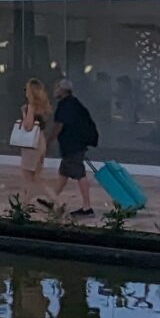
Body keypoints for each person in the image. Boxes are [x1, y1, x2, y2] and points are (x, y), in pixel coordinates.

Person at [51, 80, 100, 216]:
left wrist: (49, 140)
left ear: (64, 90)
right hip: (73, 145)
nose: (55, 89)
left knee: (80, 174)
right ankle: (52, 199)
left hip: (73, 145)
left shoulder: (66, 105)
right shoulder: (73, 103)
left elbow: (59, 125)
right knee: (64, 173)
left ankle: (87, 207)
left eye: (57, 87)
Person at [14, 79, 51, 180]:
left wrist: (24, 113)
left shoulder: (31, 107)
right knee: (37, 175)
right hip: (40, 140)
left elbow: (28, 126)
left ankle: (31, 195)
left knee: (28, 177)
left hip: (31, 143)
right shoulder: (43, 107)